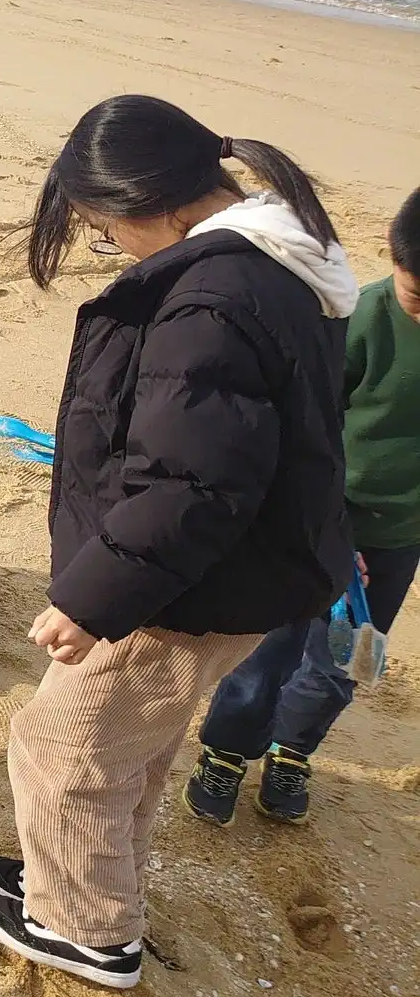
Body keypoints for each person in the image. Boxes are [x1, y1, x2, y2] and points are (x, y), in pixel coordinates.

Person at [0, 95, 354, 991]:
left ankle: (87, 929)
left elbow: (193, 486)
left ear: (153, 203)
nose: (112, 246)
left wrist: (90, 599)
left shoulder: (213, 299)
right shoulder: (281, 257)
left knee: (62, 746)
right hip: (240, 572)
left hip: (182, 585)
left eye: (106, 231)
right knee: (132, 744)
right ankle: (85, 875)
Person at [184, 186, 420, 827]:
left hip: (397, 537)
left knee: (345, 655)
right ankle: (228, 749)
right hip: (314, 521)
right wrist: (332, 530)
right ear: (395, 261)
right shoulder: (357, 319)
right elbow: (305, 429)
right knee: (272, 642)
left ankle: (294, 751)